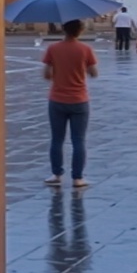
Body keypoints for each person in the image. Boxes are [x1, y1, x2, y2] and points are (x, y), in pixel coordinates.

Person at [42, 19, 98, 188]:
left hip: (57, 99)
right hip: (79, 100)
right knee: (78, 140)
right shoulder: (85, 49)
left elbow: (46, 75)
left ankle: (56, 174)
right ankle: (77, 178)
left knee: (57, 139)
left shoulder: (53, 49)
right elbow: (94, 73)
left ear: (63, 30)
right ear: (80, 31)